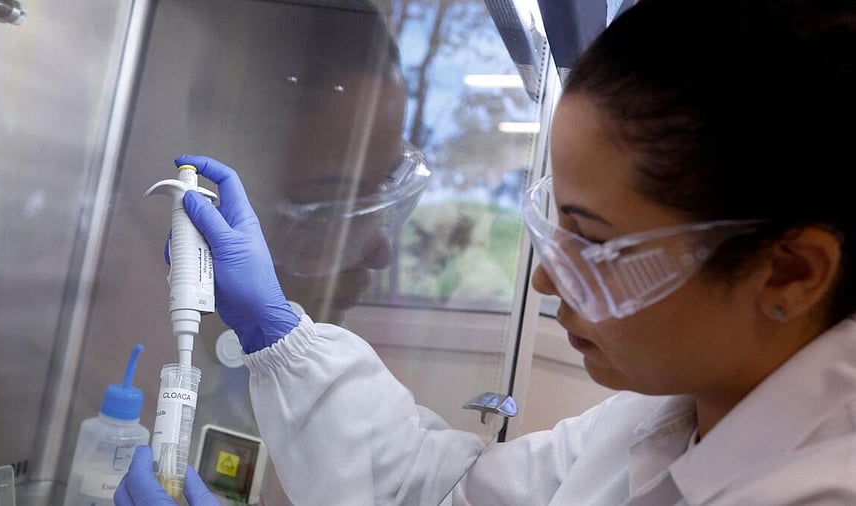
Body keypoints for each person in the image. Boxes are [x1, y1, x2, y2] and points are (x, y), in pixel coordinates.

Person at [116, 0, 856, 504]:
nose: (546, 278)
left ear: (787, 273)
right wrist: (277, 332)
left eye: (597, 244)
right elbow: (444, 493)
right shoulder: (659, 415)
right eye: (556, 226)